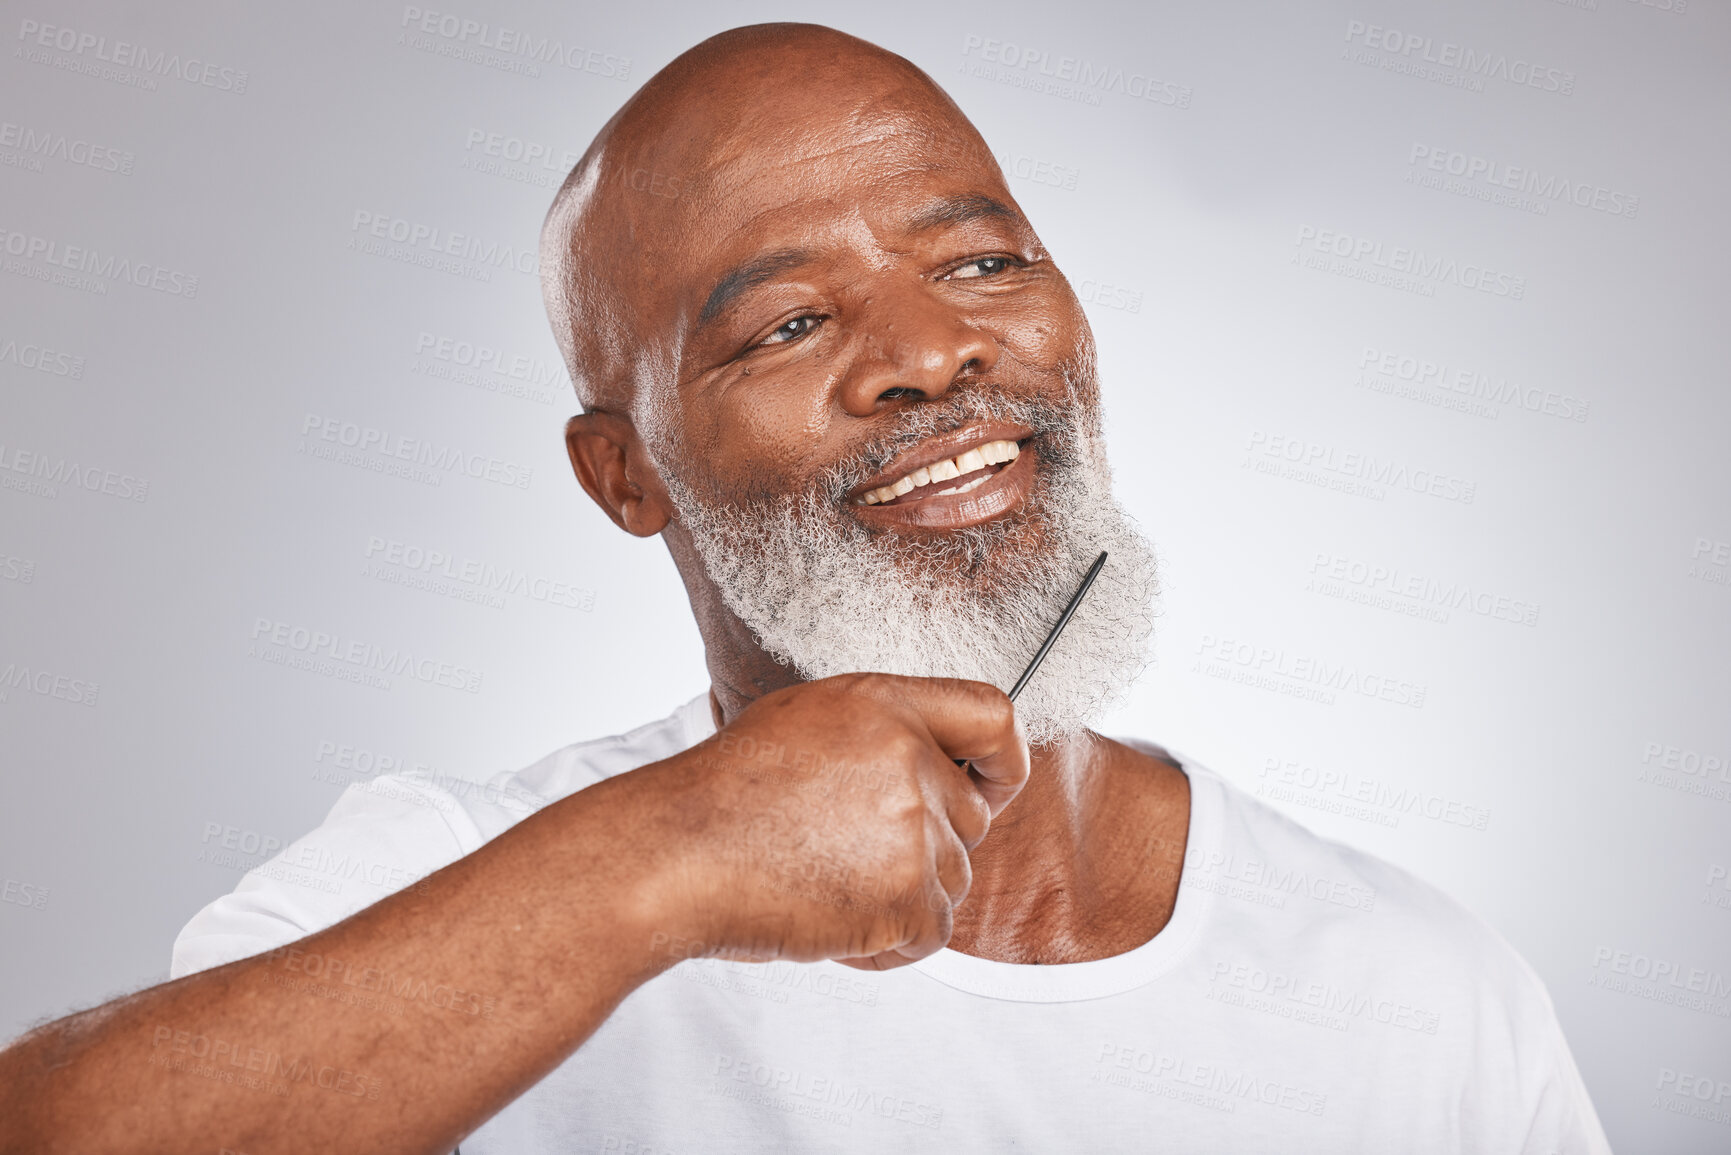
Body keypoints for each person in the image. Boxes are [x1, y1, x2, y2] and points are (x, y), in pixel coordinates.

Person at [0, 23, 1610, 1154]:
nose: (933, 358)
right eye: (784, 324)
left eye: (982, 263)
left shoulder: (1420, 990)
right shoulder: (465, 874)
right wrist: (673, 854)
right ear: (622, 475)